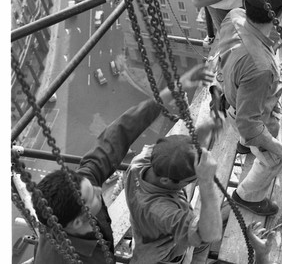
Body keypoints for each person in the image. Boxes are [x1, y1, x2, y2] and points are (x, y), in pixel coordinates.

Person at [33, 63, 214, 264]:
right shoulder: (62, 258)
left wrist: (163, 98)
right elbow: (204, 234)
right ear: (77, 221)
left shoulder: (82, 194)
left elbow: (118, 133)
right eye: (92, 196)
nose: (99, 190)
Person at [218, 0, 282, 216]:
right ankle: (247, 197)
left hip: (230, 100)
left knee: (245, 127)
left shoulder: (234, 15)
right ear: (278, 16)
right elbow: (249, 124)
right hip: (248, 117)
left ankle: (244, 146)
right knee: (273, 160)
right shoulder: (261, 68)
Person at [124, 120, 222, 263]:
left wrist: (201, 132)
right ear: (165, 181)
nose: (195, 181)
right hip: (163, 254)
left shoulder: (142, 161)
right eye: (192, 180)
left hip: (146, 228)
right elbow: (211, 234)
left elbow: (175, 151)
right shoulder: (161, 211)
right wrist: (206, 182)